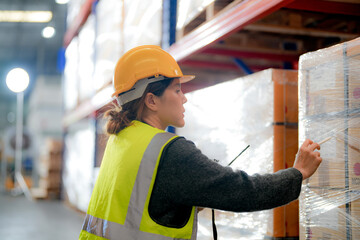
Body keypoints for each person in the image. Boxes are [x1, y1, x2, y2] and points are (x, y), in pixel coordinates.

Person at [79, 45, 322, 240]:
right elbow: (242, 191)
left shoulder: (121, 139)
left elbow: (135, 207)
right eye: (177, 90)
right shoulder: (170, 151)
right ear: (151, 100)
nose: (184, 98)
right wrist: (297, 173)